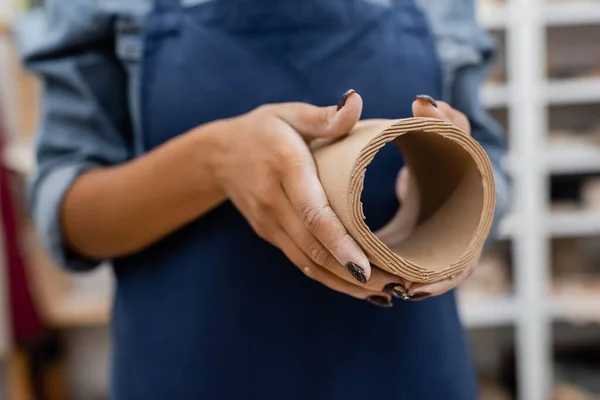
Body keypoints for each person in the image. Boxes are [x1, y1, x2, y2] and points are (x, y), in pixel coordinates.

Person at [17, 0, 508, 398]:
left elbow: (492, 167)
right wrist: (214, 161)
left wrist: (452, 197)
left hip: (404, 370)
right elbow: (68, 219)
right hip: (194, 370)